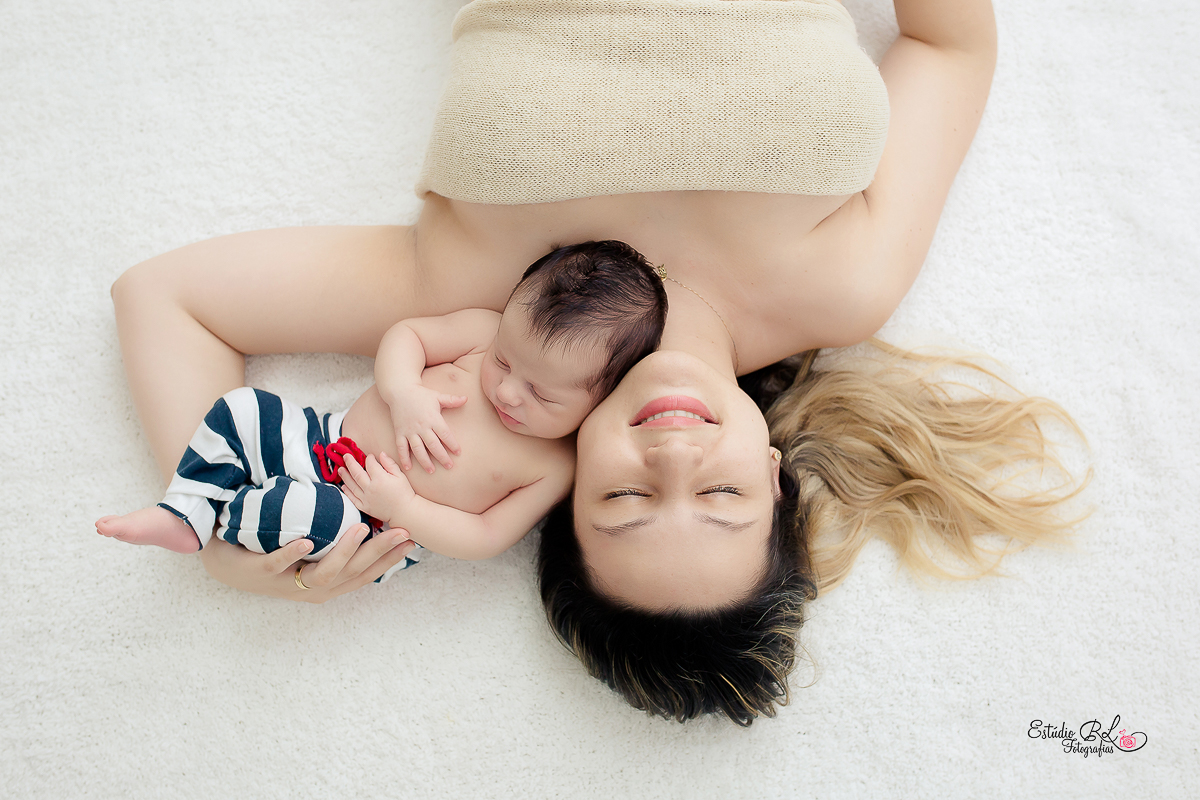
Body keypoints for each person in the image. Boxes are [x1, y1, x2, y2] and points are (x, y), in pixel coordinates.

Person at [111, 0, 1066, 722]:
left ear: (567, 492)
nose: (675, 463)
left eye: (627, 503)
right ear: (774, 479)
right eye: (722, 500)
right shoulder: (845, 289)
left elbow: (165, 297)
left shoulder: (478, 310)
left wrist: (217, 533)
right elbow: (950, 44)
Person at [98, 242, 667, 582]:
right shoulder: (483, 331)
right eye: (503, 363)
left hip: (369, 525)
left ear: (601, 399)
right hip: (320, 436)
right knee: (242, 409)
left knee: (313, 521)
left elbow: (488, 535)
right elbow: (408, 336)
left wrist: (405, 507)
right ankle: (185, 509)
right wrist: (403, 393)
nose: (509, 392)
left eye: (544, 396)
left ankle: (223, 517)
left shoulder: (554, 465)